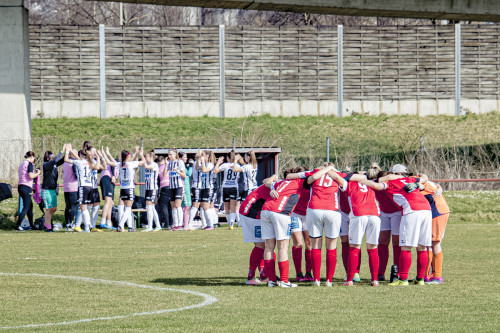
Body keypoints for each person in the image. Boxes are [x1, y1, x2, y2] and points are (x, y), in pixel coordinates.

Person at [364, 164, 432, 286]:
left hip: (412, 211)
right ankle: (420, 278)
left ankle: (403, 279)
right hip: (426, 210)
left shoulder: (390, 183)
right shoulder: (410, 180)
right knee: (422, 247)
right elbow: (425, 177)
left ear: (393, 174)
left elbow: (376, 184)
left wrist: (362, 180)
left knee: (406, 247)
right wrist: (416, 184)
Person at [261, 168, 310, 288]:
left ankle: (272, 280)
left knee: (269, 247)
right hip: (280, 213)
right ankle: (284, 281)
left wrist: (272, 188)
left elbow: (266, 182)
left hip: (265, 210)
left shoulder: (283, 182)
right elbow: (311, 178)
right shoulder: (299, 182)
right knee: (282, 247)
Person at [341, 169, 381, 287]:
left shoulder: (349, 183)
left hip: (359, 214)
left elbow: (339, 178)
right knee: (373, 248)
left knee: (354, 247)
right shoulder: (371, 182)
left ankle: (349, 280)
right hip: (374, 214)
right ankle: (374, 280)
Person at [239, 175, 279, 286]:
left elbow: (264, 180)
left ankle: (264, 275)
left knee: (266, 244)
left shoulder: (278, 183)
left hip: (257, 213)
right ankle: (250, 277)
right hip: (251, 213)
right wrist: (274, 177)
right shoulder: (278, 184)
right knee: (261, 245)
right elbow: (266, 182)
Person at [105, 146, 146, 232]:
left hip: (122, 188)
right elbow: (143, 161)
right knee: (128, 208)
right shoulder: (131, 164)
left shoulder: (120, 164)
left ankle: (130, 227)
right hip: (129, 188)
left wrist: (105, 154)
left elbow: (109, 162)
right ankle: (120, 225)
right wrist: (141, 154)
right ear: (128, 157)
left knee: (128, 208)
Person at [372, 167, 402, 281]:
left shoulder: (393, 183)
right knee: (382, 241)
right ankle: (380, 272)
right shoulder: (375, 184)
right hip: (384, 213)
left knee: (396, 242)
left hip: (396, 213)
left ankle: (397, 271)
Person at [64, 144, 102, 232]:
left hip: (83, 187)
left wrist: (67, 151)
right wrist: (99, 157)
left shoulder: (79, 162)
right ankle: (88, 226)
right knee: (87, 207)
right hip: (90, 187)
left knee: (83, 208)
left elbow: (66, 160)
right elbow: (97, 167)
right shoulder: (90, 163)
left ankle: (87, 227)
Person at [420, 181, 450, 284]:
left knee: (434, 243)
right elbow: (436, 185)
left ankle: (437, 276)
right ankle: (426, 275)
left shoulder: (418, 182)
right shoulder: (424, 181)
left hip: (437, 212)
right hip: (436, 211)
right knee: (429, 243)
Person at [213, 150, 242, 230]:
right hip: (234, 187)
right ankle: (232, 225)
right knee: (233, 207)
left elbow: (215, 171)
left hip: (225, 187)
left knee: (227, 207)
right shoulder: (238, 165)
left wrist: (218, 163)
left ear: (228, 158)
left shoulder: (225, 165)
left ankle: (230, 224)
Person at [41, 145, 66, 231]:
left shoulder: (54, 164)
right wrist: (62, 151)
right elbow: (55, 160)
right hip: (46, 190)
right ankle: (48, 227)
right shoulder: (46, 164)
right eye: (52, 156)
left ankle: (46, 222)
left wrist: (67, 152)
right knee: (48, 209)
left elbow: (62, 160)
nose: (54, 157)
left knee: (54, 209)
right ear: (48, 158)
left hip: (53, 190)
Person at [16, 151, 40, 231]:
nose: (34, 160)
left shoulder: (22, 163)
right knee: (26, 207)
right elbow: (30, 176)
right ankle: (18, 225)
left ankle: (31, 225)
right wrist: (38, 174)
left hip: (20, 186)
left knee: (30, 206)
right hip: (26, 187)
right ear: (32, 156)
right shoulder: (29, 164)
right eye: (34, 158)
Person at [97, 147, 118, 230]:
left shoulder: (120, 165)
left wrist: (106, 153)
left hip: (111, 182)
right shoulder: (116, 164)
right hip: (107, 178)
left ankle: (109, 223)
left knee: (110, 203)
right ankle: (102, 221)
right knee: (107, 201)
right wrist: (113, 175)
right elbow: (112, 164)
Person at [168, 148, 187, 230]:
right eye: (168, 154)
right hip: (171, 186)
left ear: (175, 154)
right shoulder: (170, 162)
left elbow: (184, 175)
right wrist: (166, 165)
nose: (169, 156)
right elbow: (165, 174)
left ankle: (180, 224)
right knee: (173, 206)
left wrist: (178, 171)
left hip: (178, 186)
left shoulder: (180, 162)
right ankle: (175, 224)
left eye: (170, 154)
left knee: (178, 205)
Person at [142, 151, 161, 232]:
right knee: (151, 208)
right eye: (145, 157)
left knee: (150, 207)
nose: (146, 158)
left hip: (153, 188)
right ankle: (158, 225)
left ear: (151, 158)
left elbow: (145, 166)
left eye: (147, 157)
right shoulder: (148, 165)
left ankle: (150, 226)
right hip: (148, 188)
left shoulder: (154, 165)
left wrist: (141, 155)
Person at [63, 149, 79, 231]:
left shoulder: (65, 163)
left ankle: (67, 223)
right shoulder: (73, 163)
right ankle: (71, 223)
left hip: (66, 187)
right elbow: (76, 175)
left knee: (67, 206)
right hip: (73, 186)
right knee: (73, 206)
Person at [180, 152, 193, 230]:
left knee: (181, 207)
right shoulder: (182, 166)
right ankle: (185, 225)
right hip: (185, 188)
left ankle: (179, 224)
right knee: (187, 207)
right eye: (185, 157)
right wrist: (191, 166)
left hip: (182, 188)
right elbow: (189, 173)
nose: (186, 159)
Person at [158, 156, 171, 229]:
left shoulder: (159, 168)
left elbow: (159, 179)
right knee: (171, 206)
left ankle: (167, 223)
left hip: (164, 187)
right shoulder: (170, 166)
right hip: (171, 186)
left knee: (164, 206)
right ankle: (172, 223)